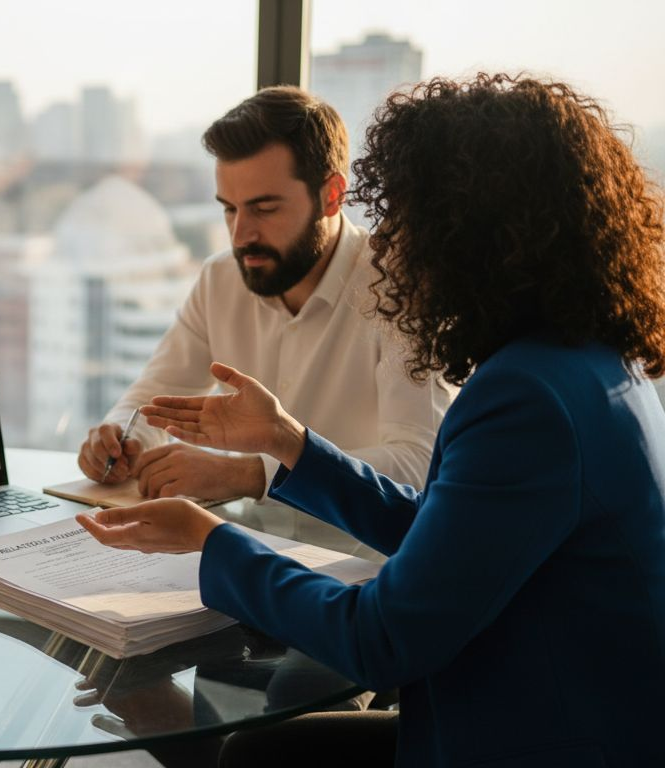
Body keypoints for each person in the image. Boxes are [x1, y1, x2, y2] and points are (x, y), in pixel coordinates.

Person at [80, 74, 665, 767]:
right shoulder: (577, 363)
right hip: (551, 712)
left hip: (537, 740)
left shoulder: (527, 402)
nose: (385, 246)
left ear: (474, 238)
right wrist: (289, 443)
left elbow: (381, 638)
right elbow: (444, 528)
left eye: (408, 220)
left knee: (258, 756)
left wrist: (212, 542)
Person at [77, 86, 449, 504]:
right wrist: (121, 439)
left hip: (357, 559)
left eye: (265, 209)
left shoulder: (399, 288)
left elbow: (420, 464)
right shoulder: (220, 278)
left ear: (332, 196)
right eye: (229, 209)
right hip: (246, 545)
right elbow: (155, 398)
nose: (241, 235)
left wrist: (251, 474)